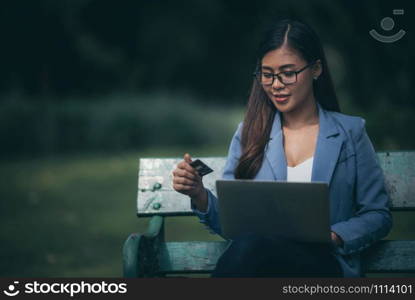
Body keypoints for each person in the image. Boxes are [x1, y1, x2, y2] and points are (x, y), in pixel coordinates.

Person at [172, 18, 392, 278]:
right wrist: (199, 194)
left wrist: (334, 235)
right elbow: (233, 225)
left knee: (253, 248)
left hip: (323, 265)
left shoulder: (350, 133)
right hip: (258, 262)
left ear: (316, 69)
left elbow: (377, 214)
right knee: (254, 245)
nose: (276, 84)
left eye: (288, 73)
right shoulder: (249, 134)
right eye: (267, 74)